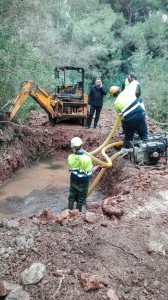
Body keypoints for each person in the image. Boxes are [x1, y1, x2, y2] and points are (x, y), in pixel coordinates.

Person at [109, 83, 148, 149]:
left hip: (129, 119)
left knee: (128, 137)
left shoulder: (116, 103)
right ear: (119, 89)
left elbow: (120, 115)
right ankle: (146, 150)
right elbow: (138, 98)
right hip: (140, 115)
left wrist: (124, 126)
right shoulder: (127, 93)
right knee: (143, 135)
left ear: (113, 95)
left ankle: (127, 153)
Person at [67, 137, 99, 212]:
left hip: (73, 179)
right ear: (81, 144)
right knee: (81, 199)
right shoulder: (87, 159)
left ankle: (69, 212)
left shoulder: (70, 157)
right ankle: (77, 214)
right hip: (83, 181)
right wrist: (98, 166)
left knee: (71, 196)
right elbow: (89, 172)